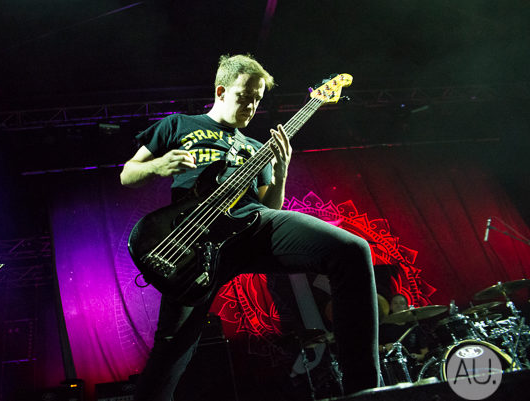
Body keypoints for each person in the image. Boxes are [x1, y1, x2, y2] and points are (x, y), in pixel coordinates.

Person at [120, 54, 379, 400]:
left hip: (253, 226)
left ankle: (366, 392)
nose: (252, 106)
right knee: (172, 349)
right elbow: (128, 174)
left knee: (352, 250)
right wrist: (159, 165)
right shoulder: (178, 125)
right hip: (194, 242)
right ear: (221, 91)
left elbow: (271, 208)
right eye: (245, 96)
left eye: (257, 99)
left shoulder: (257, 148)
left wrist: (281, 172)